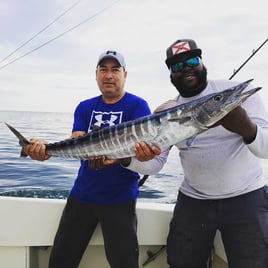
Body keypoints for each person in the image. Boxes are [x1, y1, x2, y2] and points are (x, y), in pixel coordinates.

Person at [123, 39, 268, 267]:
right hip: (194, 201)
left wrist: (246, 127)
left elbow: (265, 149)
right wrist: (129, 159)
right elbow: (156, 163)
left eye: (192, 60)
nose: (186, 68)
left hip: (246, 198)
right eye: (177, 66)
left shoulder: (240, 92)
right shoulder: (165, 111)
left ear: (202, 62)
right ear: (171, 75)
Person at [23, 50, 151, 268]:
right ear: (96, 74)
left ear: (125, 74)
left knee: (125, 264)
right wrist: (43, 149)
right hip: (82, 197)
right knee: (60, 262)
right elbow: (78, 140)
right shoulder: (84, 106)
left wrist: (117, 156)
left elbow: (142, 149)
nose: (108, 75)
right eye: (103, 69)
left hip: (120, 200)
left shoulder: (137, 106)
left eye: (115, 69)